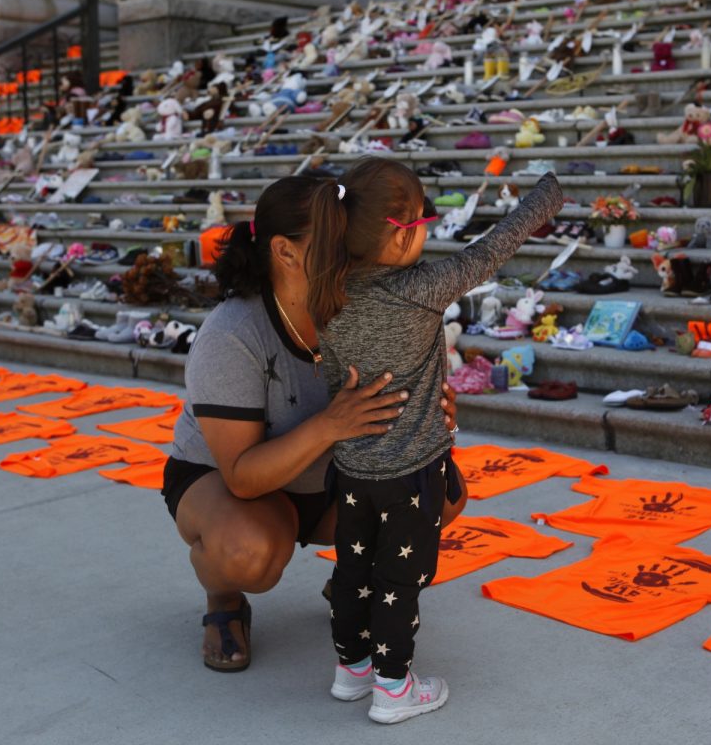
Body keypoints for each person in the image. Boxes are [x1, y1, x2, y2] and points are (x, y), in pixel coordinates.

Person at [164, 174, 465, 674]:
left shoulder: (371, 302)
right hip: (232, 486)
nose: (352, 252)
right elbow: (241, 475)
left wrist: (431, 418)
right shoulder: (233, 333)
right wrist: (330, 424)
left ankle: (355, 579)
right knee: (249, 552)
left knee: (442, 492)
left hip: (329, 480)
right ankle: (222, 595)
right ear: (284, 252)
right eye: (333, 241)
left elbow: (401, 411)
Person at [305, 159, 562, 724]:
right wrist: (548, 197)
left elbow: (330, 378)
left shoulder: (326, 291)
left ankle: (352, 669)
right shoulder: (420, 291)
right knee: (398, 580)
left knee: (352, 570)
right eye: (423, 223)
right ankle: (393, 687)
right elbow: (491, 251)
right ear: (401, 233)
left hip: (350, 470)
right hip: (410, 474)